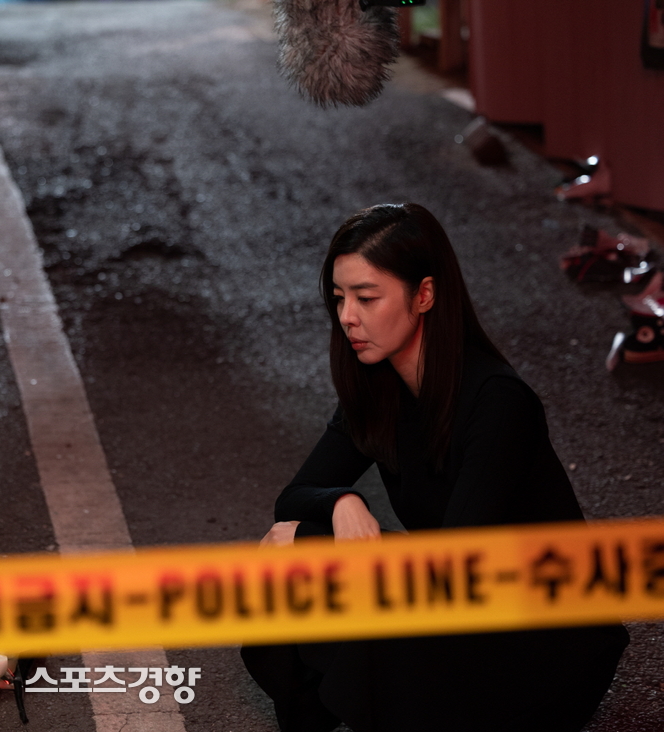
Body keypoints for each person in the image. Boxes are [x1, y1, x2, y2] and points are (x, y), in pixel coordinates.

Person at [241, 203, 629, 732]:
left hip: (541, 644)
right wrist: (342, 502)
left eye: (366, 298)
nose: (347, 316)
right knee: (296, 553)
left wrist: (319, 543)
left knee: (320, 560)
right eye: (339, 297)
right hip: (461, 612)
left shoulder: (497, 402)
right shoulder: (379, 388)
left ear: (424, 294)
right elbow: (295, 495)